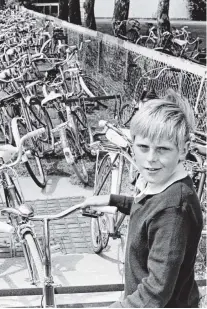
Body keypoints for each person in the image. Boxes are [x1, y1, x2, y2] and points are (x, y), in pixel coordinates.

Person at [81, 90, 203, 307]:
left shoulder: (174, 207)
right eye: (143, 147)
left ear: (183, 150)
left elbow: (156, 291)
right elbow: (150, 211)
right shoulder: (166, 186)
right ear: (133, 143)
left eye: (163, 149)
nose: (150, 159)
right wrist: (114, 200)